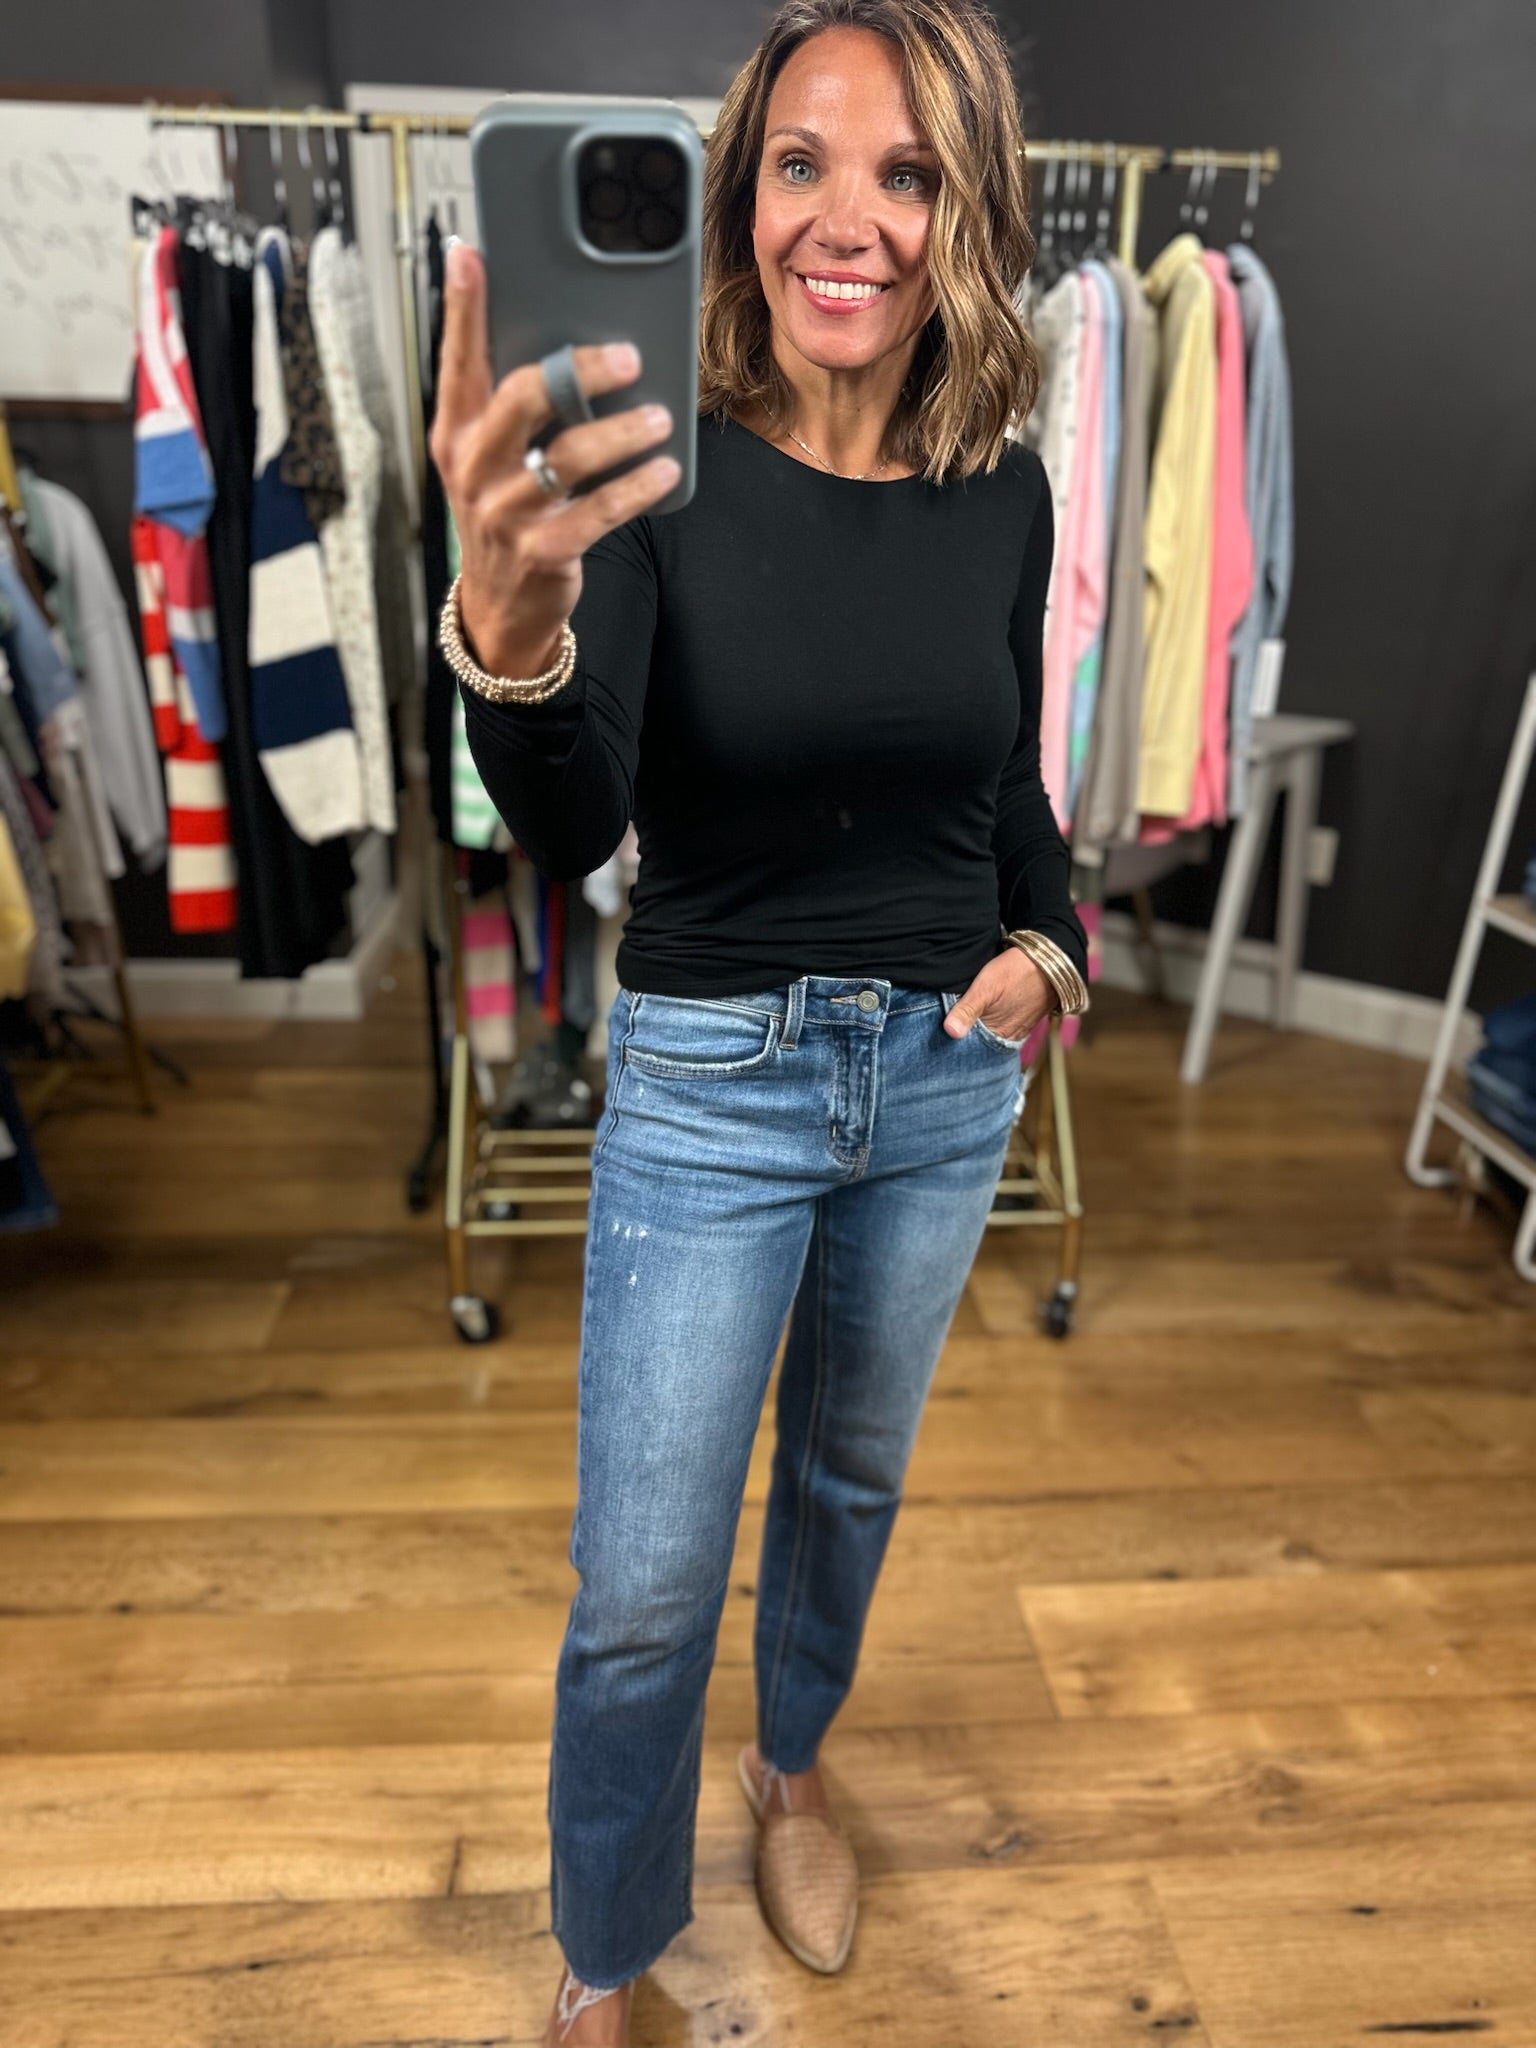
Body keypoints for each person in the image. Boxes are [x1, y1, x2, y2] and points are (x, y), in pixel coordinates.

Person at [431, 2, 1090, 2039]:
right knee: (643, 1585)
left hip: (947, 1075)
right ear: (741, 196)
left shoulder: (1005, 488)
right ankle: (607, 1952)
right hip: (714, 1081)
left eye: (908, 175)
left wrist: (1056, 941)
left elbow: (1008, 783)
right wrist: (509, 629)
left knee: (848, 1486)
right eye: (803, 163)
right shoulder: (662, 473)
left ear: (967, 213)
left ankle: (789, 1767)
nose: (850, 221)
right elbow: (572, 823)